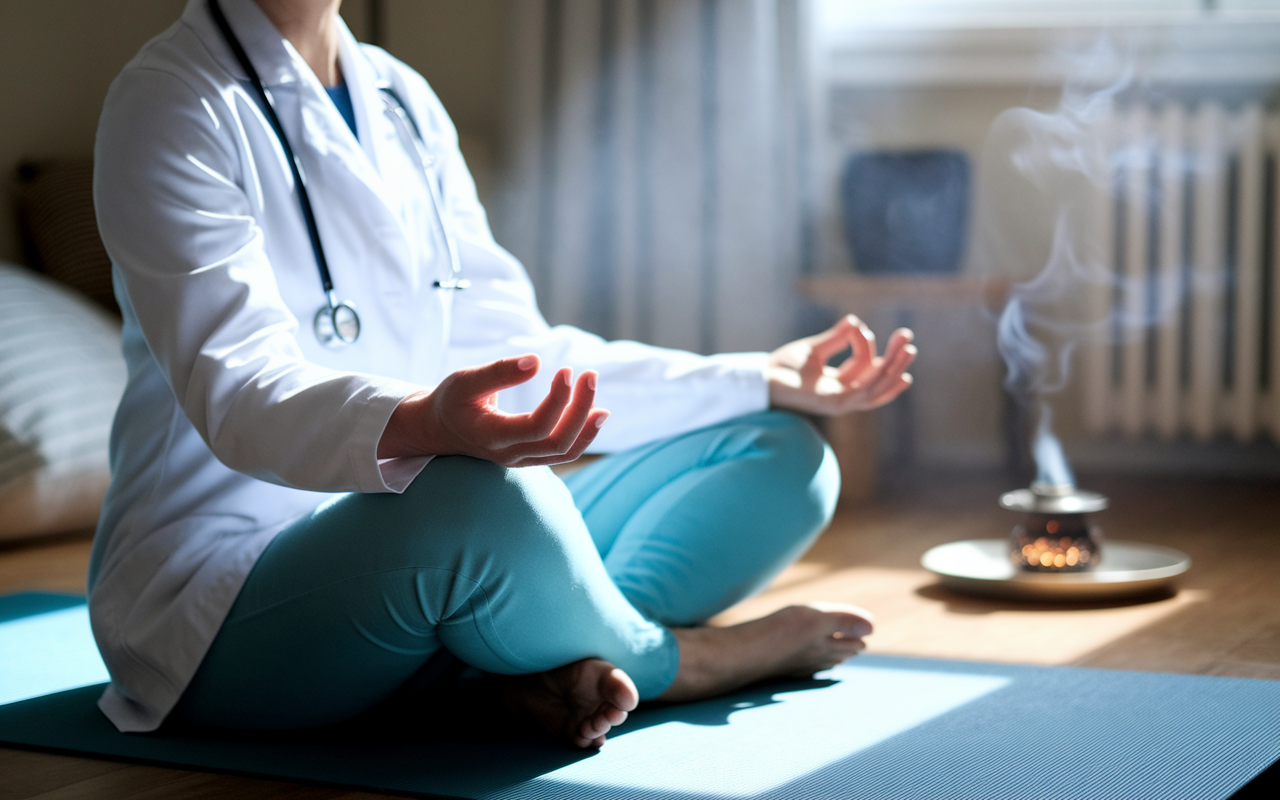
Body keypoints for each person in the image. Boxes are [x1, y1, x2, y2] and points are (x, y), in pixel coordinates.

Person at [89, 0, 917, 749]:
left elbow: (519, 360)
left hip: (423, 552)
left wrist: (755, 376)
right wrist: (420, 423)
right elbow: (239, 394)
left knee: (783, 454)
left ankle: (525, 664)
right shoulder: (169, 100)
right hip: (223, 602)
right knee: (483, 496)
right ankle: (676, 663)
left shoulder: (401, 99)